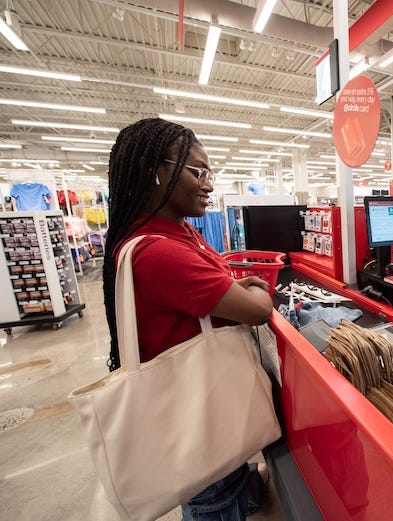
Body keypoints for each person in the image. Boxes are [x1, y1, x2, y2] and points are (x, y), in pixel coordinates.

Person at [102, 118, 273, 521]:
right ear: (155, 173)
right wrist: (258, 288)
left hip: (212, 415)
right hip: (199, 427)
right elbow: (258, 310)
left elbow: (222, 285)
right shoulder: (158, 252)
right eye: (197, 171)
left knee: (230, 488)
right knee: (213, 503)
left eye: (208, 172)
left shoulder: (179, 233)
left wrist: (235, 284)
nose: (209, 184)